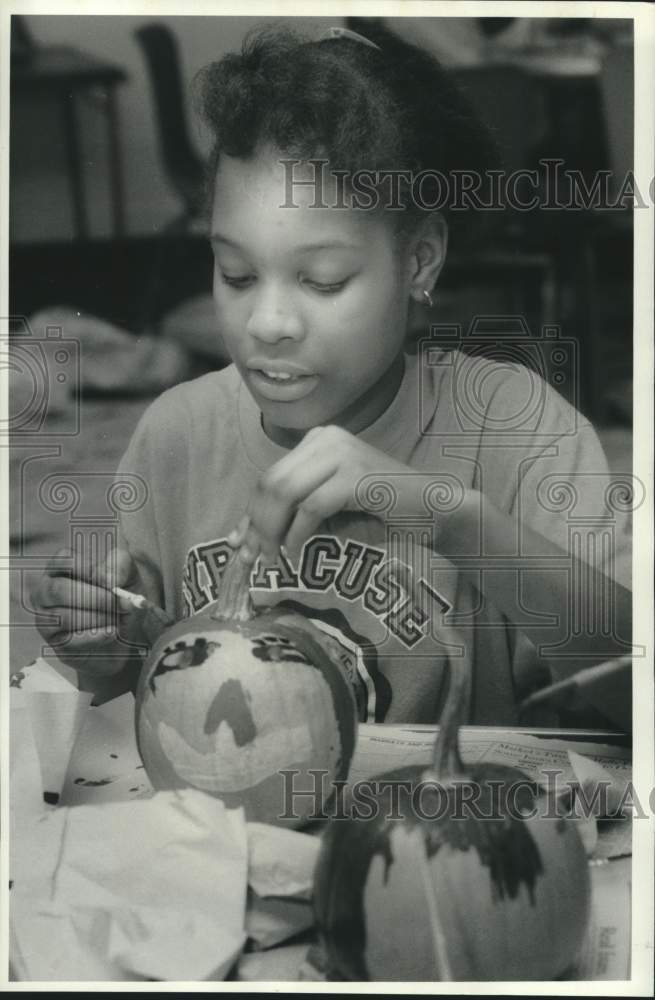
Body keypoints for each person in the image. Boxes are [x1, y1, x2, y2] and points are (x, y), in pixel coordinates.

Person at [32, 25, 632, 730]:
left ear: (419, 260)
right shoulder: (178, 433)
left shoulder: (516, 429)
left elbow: (631, 694)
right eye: (236, 274)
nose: (268, 323)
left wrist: (453, 518)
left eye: (322, 280)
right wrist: (106, 642)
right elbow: (146, 685)